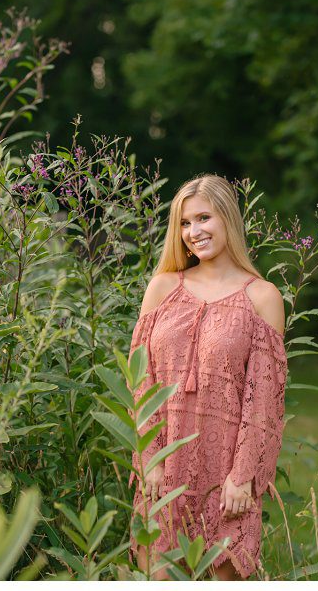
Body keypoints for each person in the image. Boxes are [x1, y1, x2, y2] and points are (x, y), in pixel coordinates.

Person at [129, 176, 288, 579]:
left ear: (228, 218)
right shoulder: (162, 287)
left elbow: (263, 400)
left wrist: (243, 477)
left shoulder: (262, 296)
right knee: (158, 576)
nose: (194, 232)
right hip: (164, 466)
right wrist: (150, 459)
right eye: (184, 223)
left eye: (204, 218)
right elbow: (140, 380)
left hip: (227, 475)